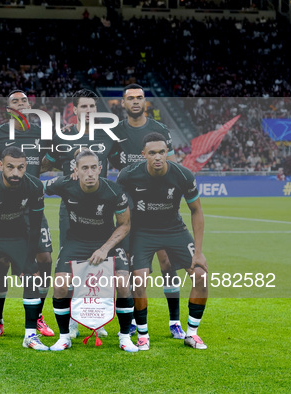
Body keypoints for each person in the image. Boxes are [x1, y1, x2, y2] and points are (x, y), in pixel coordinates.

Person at [40, 88, 122, 338]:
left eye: (92, 107)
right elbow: (44, 163)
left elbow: (121, 165)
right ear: (74, 110)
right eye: (83, 107)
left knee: (101, 265)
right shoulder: (62, 137)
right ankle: (74, 319)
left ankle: (97, 317)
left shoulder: (108, 137)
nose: (88, 111)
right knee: (73, 265)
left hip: (102, 210)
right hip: (71, 211)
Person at [117, 132, 208, 350]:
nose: (157, 157)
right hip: (142, 231)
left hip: (173, 229)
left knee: (201, 275)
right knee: (138, 280)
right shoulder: (128, 176)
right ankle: (143, 334)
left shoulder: (183, 175)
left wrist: (198, 251)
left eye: (161, 152)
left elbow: (196, 211)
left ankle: (192, 333)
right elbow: (120, 212)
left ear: (167, 153)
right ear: (143, 154)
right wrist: (125, 245)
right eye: (152, 153)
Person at [0, 90, 55, 339]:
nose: (20, 105)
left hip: (32, 206)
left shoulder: (41, 133)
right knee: (2, 262)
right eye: (14, 102)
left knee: (43, 259)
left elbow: (51, 158)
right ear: (7, 109)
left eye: (24, 101)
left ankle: (38, 316)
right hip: (3, 209)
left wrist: (33, 172)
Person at [110, 83, 185, 339]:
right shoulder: (114, 132)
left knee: (167, 263)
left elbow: (173, 165)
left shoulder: (160, 130)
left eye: (139, 98)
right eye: (130, 98)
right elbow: (102, 161)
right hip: (129, 211)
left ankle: (174, 321)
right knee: (134, 269)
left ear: (145, 101)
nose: (135, 101)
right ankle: (133, 321)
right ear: (123, 103)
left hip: (160, 209)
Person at [44, 149, 137, 352]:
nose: (89, 173)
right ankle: (64, 337)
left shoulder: (114, 192)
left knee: (123, 282)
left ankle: (124, 337)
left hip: (106, 242)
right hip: (76, 241)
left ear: (100, 169)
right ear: (75, 170)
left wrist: (104, 249)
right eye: (84, 168)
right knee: (60, 284)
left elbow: (124, 226)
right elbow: (40, 188)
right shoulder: (64, 184)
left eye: (94, 168)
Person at [0, 146, 49, 353]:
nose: (15, 173)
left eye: (20, 167)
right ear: (1, 165)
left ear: (26, 166)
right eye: (10, 167)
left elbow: (35, 225)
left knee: (31, 277)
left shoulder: (34, 186)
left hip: (18, 237)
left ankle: (30, 335)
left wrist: (29, 261)